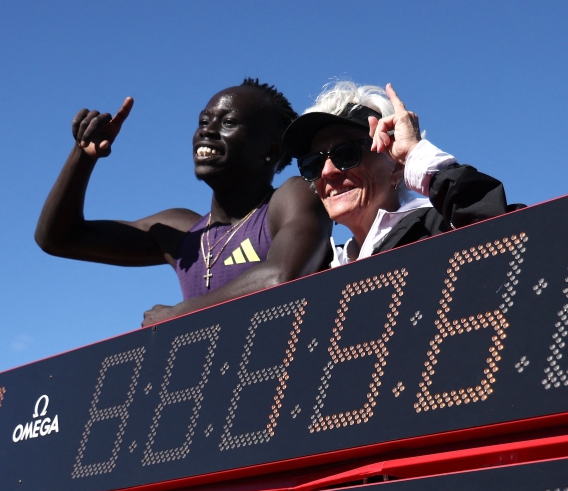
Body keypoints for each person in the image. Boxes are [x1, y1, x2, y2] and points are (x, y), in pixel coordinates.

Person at [35, 79, 332, 325]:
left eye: (228, 122)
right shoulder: (185, 233)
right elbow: (58, 239)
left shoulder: (292, 197)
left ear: (272, 151)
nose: (207, 130)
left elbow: (281, 277)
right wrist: (82, 157)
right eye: (203, 120)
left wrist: (179, 313)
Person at [282, 82, 519, 266]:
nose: (327, 171)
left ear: (395, 165)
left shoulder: (438, 231)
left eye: (346, 153)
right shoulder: (321, 269)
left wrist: (415, 153)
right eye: (312, 163)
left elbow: (511, 241)